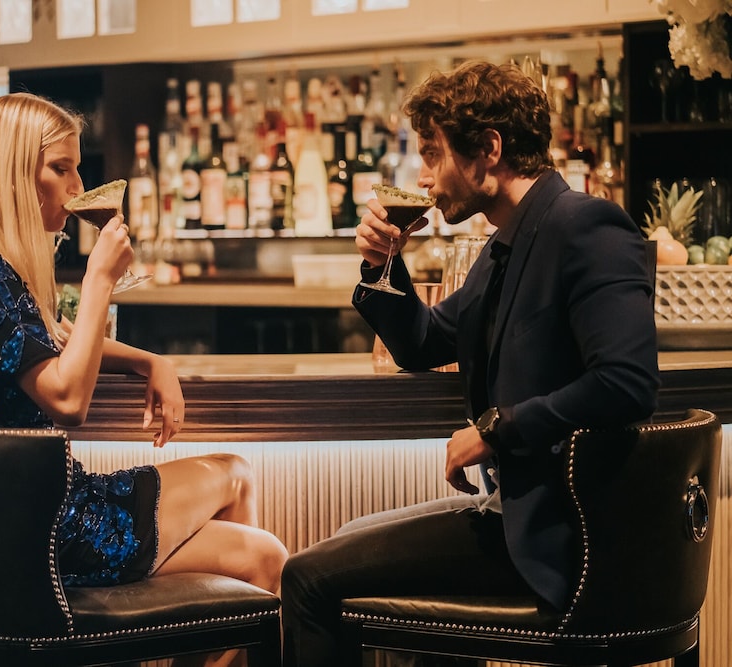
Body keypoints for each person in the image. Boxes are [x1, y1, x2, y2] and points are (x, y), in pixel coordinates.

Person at [279, 60, 660, 666]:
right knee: (345, 543)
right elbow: (423, 343)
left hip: (565, 538)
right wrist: (381, 264)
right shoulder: (506, 243)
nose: (424, 177)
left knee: (305, 577)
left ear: (488, 150)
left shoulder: (586, 226)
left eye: (433, 154)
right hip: (518, 516)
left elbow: (627, 382)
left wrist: (497, 429)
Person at [0, 93, 287, 666]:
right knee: (263, 555)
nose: (78, 185)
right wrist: (99, 279)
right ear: (12, 172)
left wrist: (148, 362)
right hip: (36, 533)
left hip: (23, 515)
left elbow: (57, 340)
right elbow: (66, 398)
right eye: (61, 168)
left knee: (240, 486)